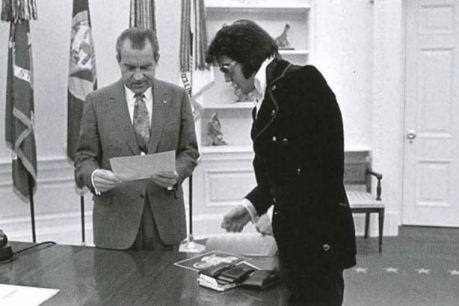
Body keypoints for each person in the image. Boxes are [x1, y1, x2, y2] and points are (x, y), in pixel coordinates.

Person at [206, 20, 356, 305]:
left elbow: (321, 169)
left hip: (317, 237)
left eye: (227, 68)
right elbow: (281, 174)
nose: (227, 78)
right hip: (296, 239)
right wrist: (250, 206)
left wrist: (279, 212)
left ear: (248, 56)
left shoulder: (302, 81)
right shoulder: (266, 96)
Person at [75, 27, 199, 251]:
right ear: (118, 60)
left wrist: (176, 174)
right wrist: (94, 176)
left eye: (146, 67)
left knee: (169, 286)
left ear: (157, 60)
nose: (138, 76)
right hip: (115, 225)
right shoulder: (96, 101)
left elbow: (189, 151)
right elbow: (84, 158)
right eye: (130, 68)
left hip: (165, 224)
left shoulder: (178, 97)